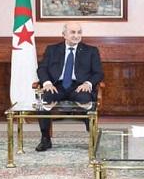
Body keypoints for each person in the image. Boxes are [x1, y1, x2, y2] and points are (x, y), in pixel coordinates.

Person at [35, 22, 104, 152]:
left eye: (79, 32)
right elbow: (42, 69)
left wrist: (88, 83)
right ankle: (45, 139)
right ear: (64, 35)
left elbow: (98, 73)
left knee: (85, 99)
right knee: (45, 99)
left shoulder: (91, 51)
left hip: (79, 86)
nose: (76, 35)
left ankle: (92, 134)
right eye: (73, 32)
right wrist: (47, 83)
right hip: (57, 85)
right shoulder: (52, 49)